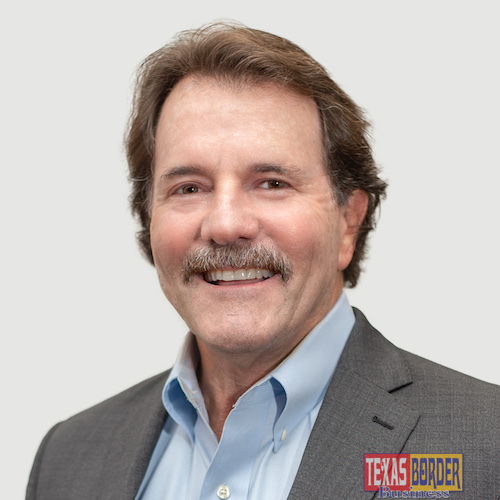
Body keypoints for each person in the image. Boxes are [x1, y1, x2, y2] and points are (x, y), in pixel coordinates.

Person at [26, 22, 500, 499]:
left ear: (348, 222)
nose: (226, 224)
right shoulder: (67, 461)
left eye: (272, 183)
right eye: (188, 188)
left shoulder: (483, 446)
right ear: (149, 218)